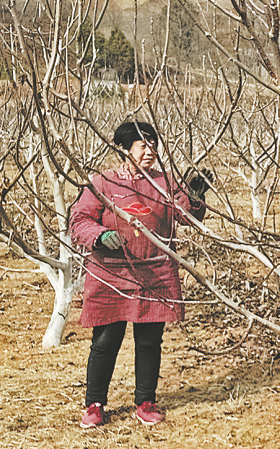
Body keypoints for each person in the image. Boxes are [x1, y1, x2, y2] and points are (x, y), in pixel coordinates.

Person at [69, 120, 210, 429]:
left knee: (149, 340)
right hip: (111, 273)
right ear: (124, 150)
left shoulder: (164, 182)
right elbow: (79, 220)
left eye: (153, 145)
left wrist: (197, 199)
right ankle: (95, 404)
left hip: (154, 270)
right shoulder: (103, 183)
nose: (150, 151)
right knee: (105, 340)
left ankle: (146, 400)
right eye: (143, 145)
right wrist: (100, 234)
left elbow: (185, 215)